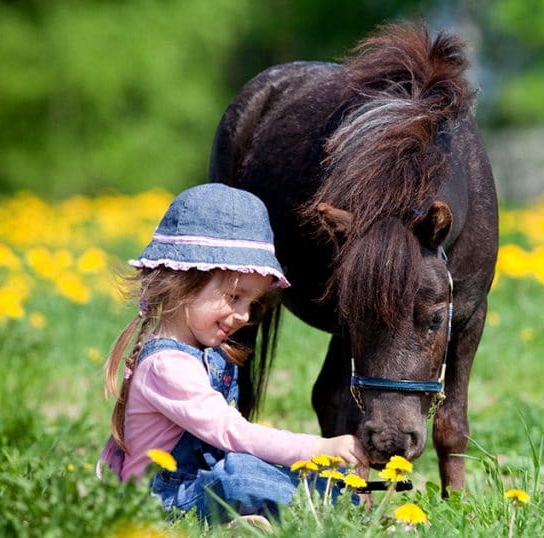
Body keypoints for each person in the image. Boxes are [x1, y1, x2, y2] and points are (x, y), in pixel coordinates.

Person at [97, 183, 369, 525]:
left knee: (250, 470)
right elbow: (233, 433)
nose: (243, 315)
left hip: (197, 485)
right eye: (234, 297)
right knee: (239, 476)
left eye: (251, 303)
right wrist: (318, 449)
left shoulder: (208, 353)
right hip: (160, 504)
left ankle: (336, 503)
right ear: (184, 282)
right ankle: (339, 507)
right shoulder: (166, 367)